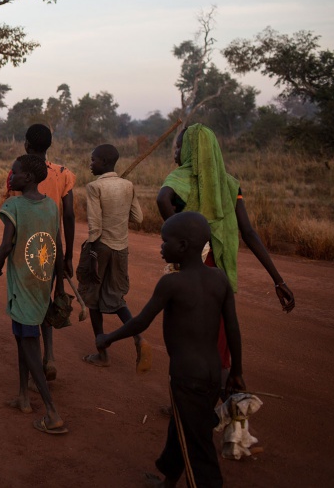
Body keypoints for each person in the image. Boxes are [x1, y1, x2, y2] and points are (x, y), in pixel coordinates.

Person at [97, 212, 244, 488]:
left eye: (166, 242)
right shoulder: (219, 279)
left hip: (187, 378)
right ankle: (168, 480)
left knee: (197, 443)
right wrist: (236, 370)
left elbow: (141, 320)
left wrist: (109, 338)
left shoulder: (172, 283)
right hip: (213, 374)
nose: (161, 247)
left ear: (184, 246)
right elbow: (233, 329)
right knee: (184, 427)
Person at [157, 124, 295, 374]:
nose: (175, 153)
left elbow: (161, 199)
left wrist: (176, 233)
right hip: (219, 269)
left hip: (191, 266)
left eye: (178, 147)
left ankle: (185, 399)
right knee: (218, 325)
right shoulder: (230, 184)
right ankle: (220, 387)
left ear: (189, 150)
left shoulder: (179, 178)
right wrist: (278, 280)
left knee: (184, 327)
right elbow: (249, 233)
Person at [0, 154, 68, 434]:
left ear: (29, 177)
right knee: (22, 341)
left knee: (29, 346)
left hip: (24, 288)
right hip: (41, 285)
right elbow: (57, 248)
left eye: (14, 172)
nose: (10, 175)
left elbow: (5, 247)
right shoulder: (51, 206)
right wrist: (59, 286)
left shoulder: (13, 205)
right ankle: (24, 397)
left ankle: (52, 413)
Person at [4, 124, 75, 381]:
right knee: (48, 298)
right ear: (49, 145)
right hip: (52, 247)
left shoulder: (18, 172)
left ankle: (33, 371)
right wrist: (67, 255)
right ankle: (50, 357)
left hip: (24, 251)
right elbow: (68, 214)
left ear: (26, 145)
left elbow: (12, 212)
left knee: (27, 306)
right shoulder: (63, 173)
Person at [79, 144, 151, 372]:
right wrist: (119, 213)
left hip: (100, 247)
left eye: (93, 160)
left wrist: (90, 253)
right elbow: (138, 218)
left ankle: (102, 354)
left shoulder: (94, 187)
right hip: (121, 248)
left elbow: (95, 226)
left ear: (103, 161)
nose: (90, 164)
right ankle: (138, 337)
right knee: (116, 297)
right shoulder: (127, 186)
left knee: (92, 297)